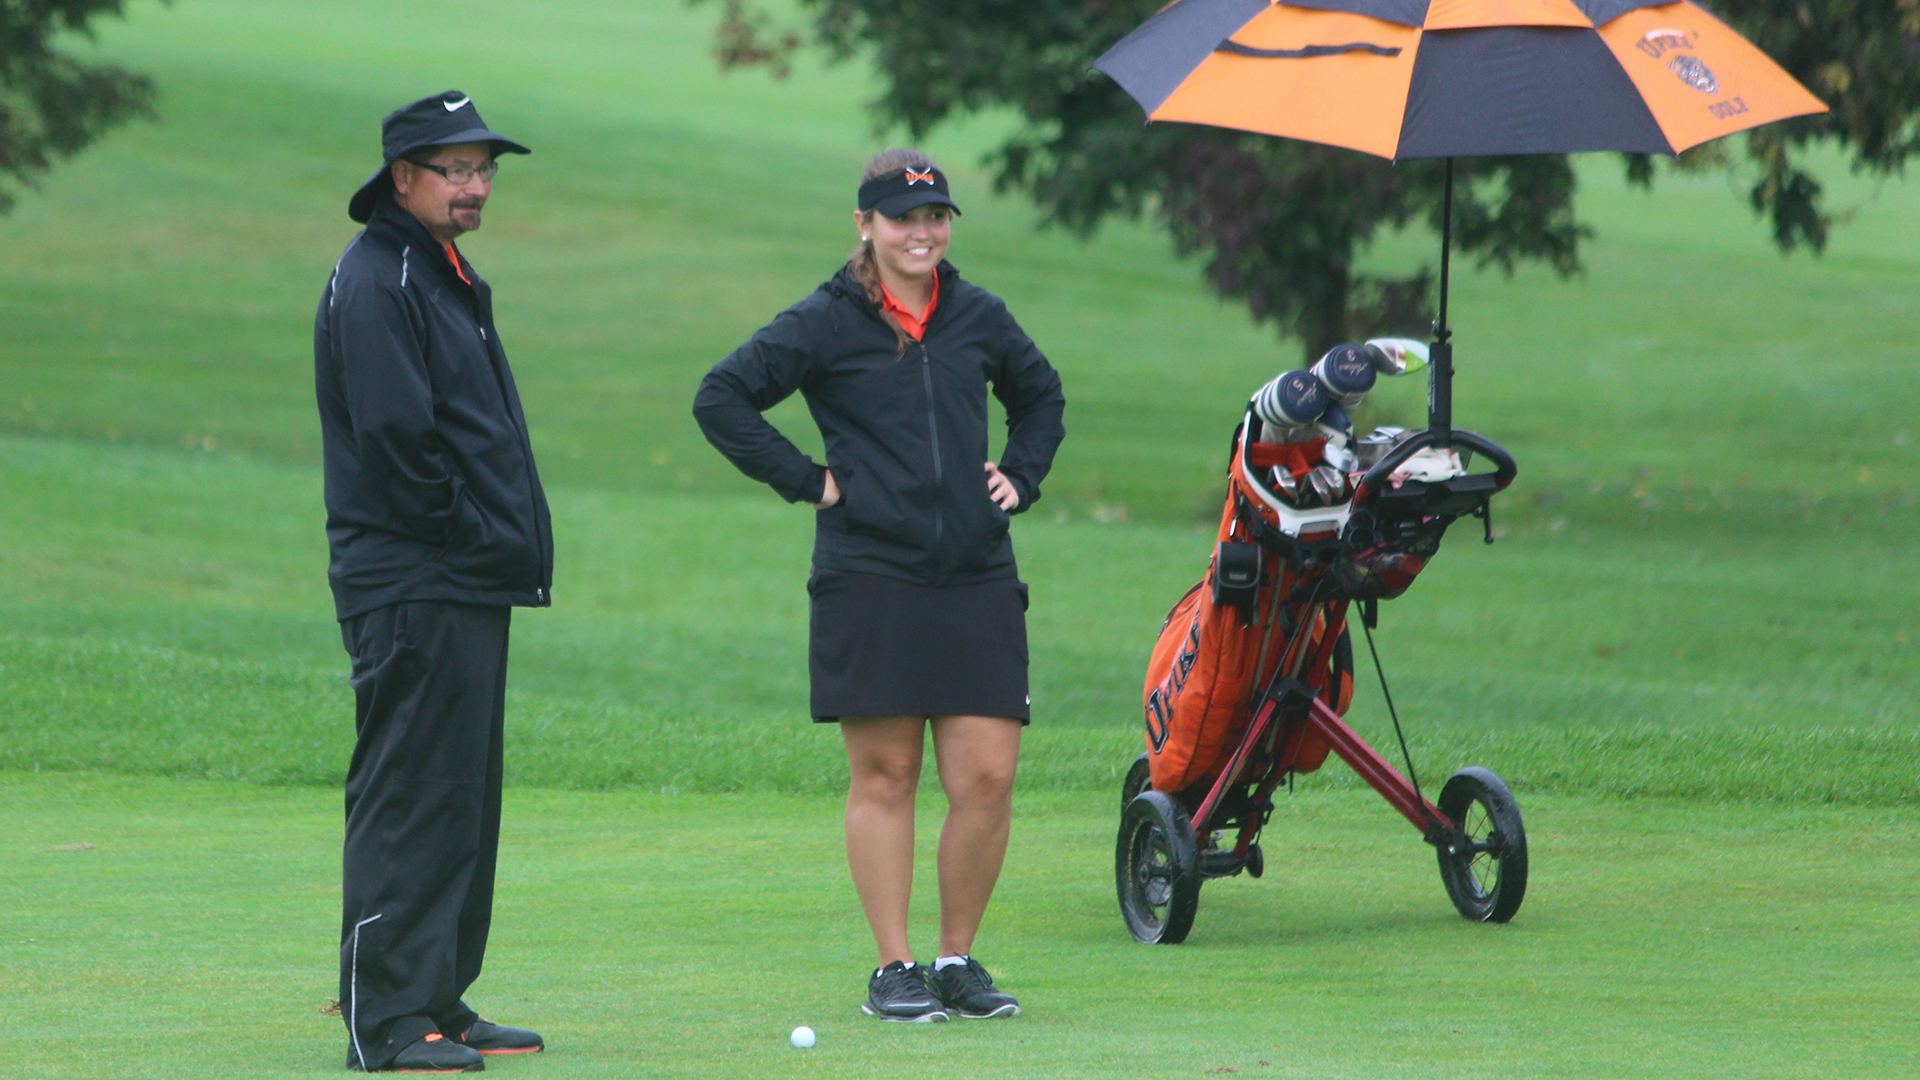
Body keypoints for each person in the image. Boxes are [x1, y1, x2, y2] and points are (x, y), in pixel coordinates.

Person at [694, 149, 1066, 1023]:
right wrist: (811, 481)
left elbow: (1040, 394)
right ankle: (893, 967)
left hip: (976, 573)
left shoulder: (975, 312)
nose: (923, 233)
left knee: (987, 778)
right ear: (865, 225)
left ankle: (956, 959)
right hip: (870, 573)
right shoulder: (826, 320)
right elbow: (723, 397)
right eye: (904, 219)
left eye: (936, 217)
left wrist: (1021, 475)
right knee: (889, 771)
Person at [315, 90, 552, 1073]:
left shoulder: (438, 272)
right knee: (411, 792)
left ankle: (437, 998)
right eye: (454, 169)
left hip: (462, 576)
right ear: (401, 177)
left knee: (461, 794)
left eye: (483, 168)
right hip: (415, 577)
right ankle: (385, 1019)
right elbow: (400, 443)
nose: (476, 185)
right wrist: (467, 534)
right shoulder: (379, 280)